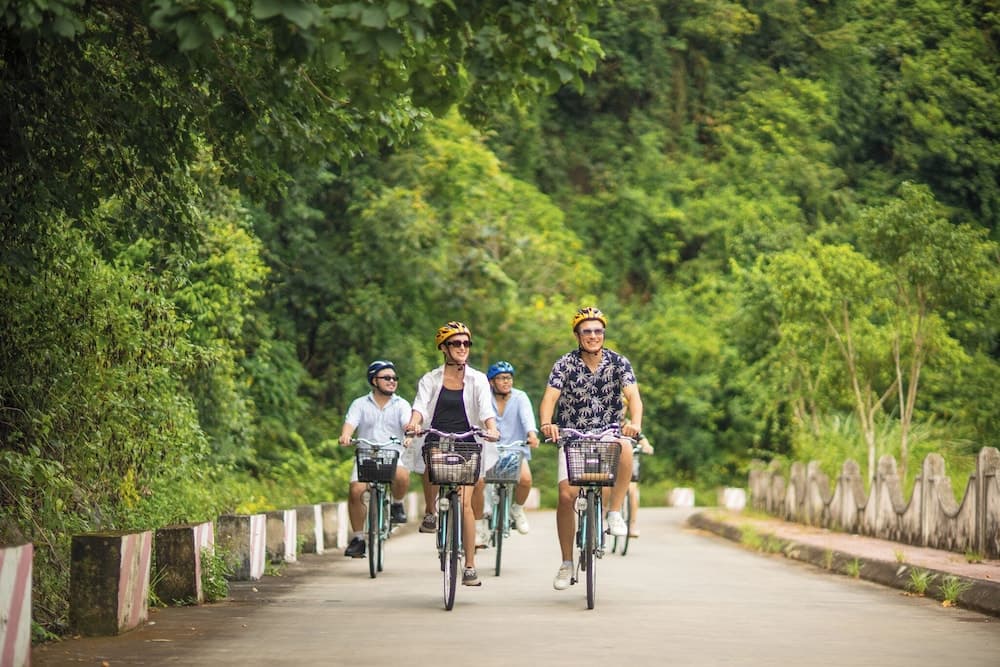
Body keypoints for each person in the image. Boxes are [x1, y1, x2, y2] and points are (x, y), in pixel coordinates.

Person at [538, 307, 642, 591]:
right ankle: (566, 562)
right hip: (573, 436)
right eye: (587, 331)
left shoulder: (618, 362)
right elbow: (550, 398)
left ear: (604, 334)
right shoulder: (564, 364)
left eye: (598, 331)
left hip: (608, 433)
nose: (593, 336)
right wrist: (547, 423)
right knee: (565, 496)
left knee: (625, 447)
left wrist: (635, 423)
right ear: (577, 335)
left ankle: (614, 512)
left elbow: (633, 397)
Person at [404, 321, 500, 587]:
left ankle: (469, 566)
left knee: (465, 504)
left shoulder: (478, 379)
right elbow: (420, 406)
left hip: (467, 441)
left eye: (466, 343)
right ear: (444, 348)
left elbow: (486, 410)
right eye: (456, 343)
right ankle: (430, 510)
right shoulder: (430, 379)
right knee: (430, 461)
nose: (462, 347)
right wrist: (413, 423)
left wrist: (491, 428)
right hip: (436, 436)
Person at [338, 360, 413, 559]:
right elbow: (350, 423)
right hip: (366, 456)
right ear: (374, 380)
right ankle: (358, 539)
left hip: (392, 455)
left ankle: (397, 504)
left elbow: (407, 424)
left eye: (394, 378)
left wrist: (409, 435)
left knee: (402, 475)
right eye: (386, 378)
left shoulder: (401, 404)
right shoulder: (360, 404)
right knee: (355, 491)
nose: (392, 381)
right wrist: (346, 435)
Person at [483, 361, 539, 539]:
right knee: (480, 482)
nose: (506, 381)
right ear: (491, 382)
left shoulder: (520, 397)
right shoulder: (484, 397)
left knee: (526, 480)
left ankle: (517, 509)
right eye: (501, 378)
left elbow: (527, 419)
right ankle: (482, 519)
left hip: (515, 449)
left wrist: (532, 435)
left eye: (509, 377)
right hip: (489, 448)